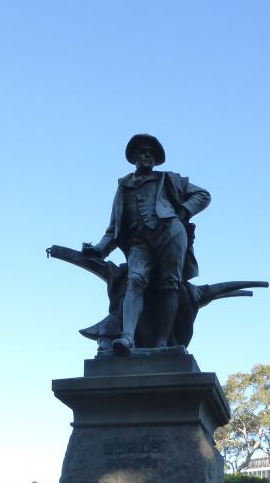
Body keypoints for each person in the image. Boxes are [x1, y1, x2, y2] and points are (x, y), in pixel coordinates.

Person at [82, 133, 210, 354]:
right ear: (133, 157)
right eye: (143, 151)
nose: (147, 154)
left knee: (170, 284)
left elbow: (203, 195)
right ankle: (127, 338)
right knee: (135, 279)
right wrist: (99, 249)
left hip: (170, 232)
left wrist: (182, 212)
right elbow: (114, 227)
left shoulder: (170, 179)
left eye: (151, 151)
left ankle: (162, 343)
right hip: (138, 241)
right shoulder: (123, 186)